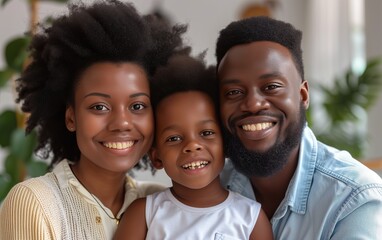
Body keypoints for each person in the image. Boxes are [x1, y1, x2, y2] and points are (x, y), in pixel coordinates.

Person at [0, 1, 186, 239]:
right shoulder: (36, 203)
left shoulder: (162, 204)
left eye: (137, 106)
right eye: (99, 106)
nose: (121, 122)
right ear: (71, 117)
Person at [215, 16, 382, 239]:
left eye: (271, 86)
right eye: (234, 92)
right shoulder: (211, 185)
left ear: (302, 95)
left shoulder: (353, 198)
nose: (253, 104)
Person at [113, 53, 273, 240]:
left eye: (206, 133)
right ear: (156, 157)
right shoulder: (144, 214)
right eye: (174, 138)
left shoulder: (251, 218)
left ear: (226, 144)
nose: (192, 146)